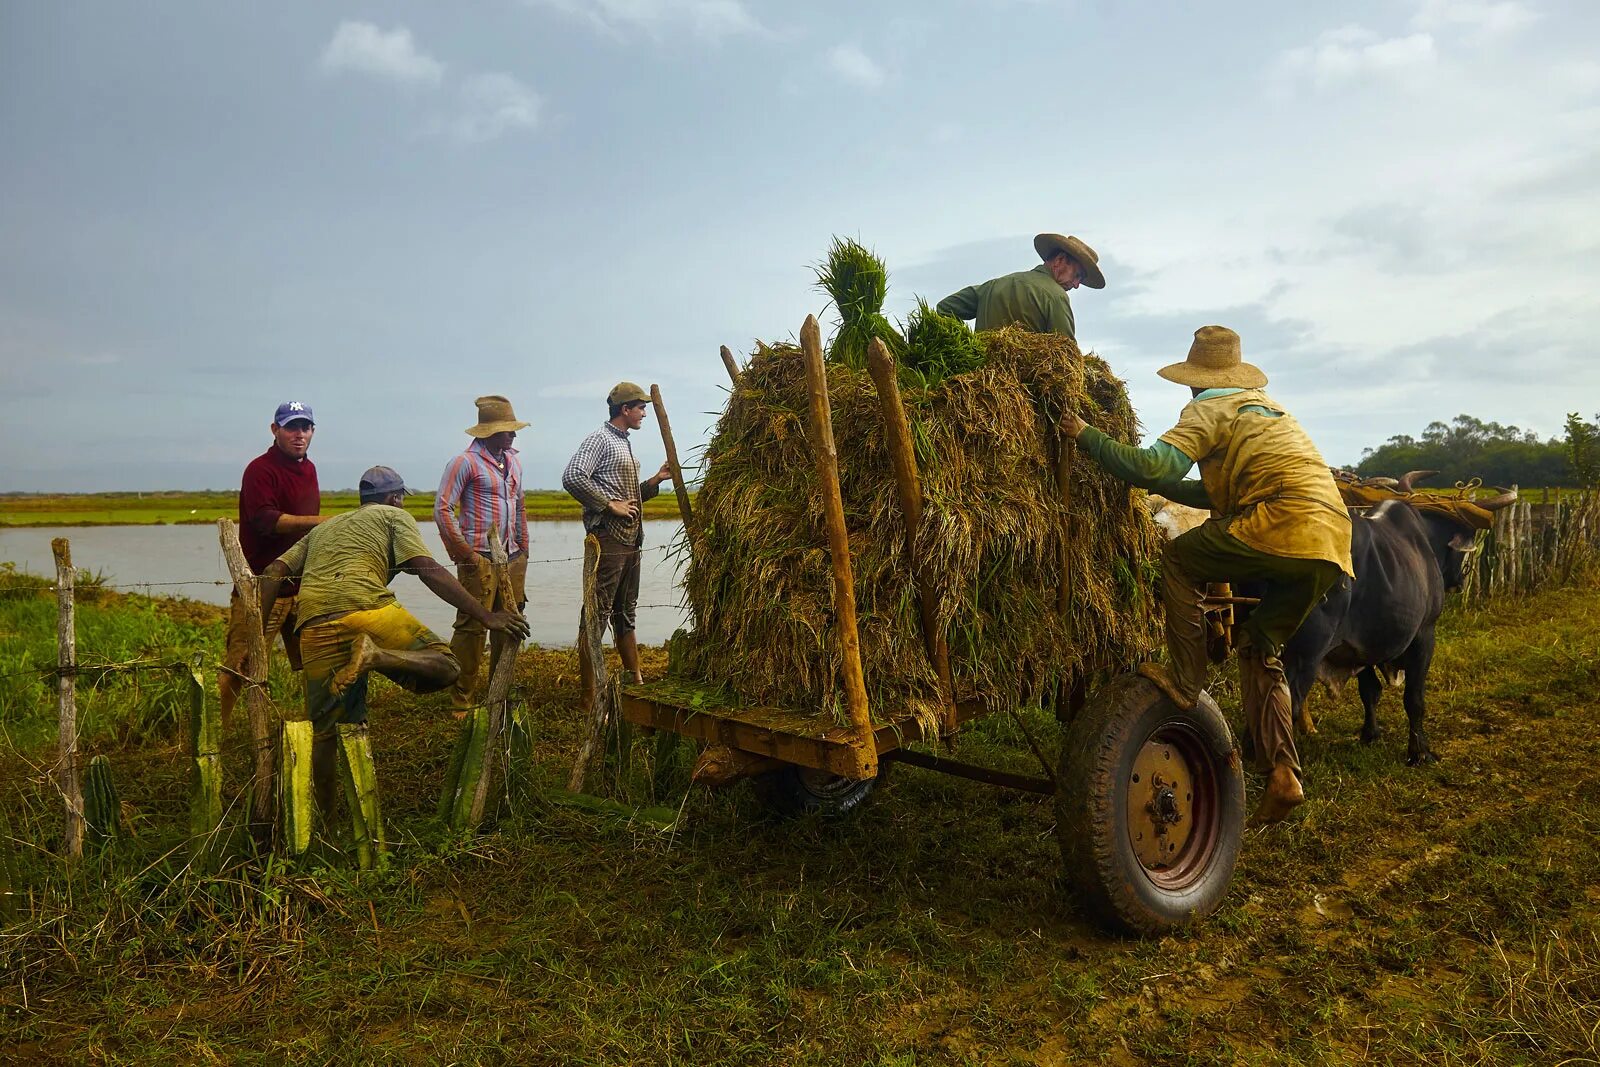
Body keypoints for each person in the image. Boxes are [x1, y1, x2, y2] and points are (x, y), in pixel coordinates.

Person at [1060, 326, 1353, 825]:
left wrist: (1086, 436)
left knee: (1178, 558)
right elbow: (1210, 491)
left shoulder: (1207, 409)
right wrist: (1166, 490)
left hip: (1278, 524)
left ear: (1195, 383)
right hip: (1331, 540)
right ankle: (1284, 772)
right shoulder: (1270, 412)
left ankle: (1185, 676)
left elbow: (1155, 468)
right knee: (1262, 647)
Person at [259, 465, 530, 814]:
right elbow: (425, 566)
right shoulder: (392, 516)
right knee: (447, 666)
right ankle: (375, 656)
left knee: (326, 734)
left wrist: (257, 633)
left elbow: (273, 572)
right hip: (367, 609)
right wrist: (487, 616)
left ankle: (327, 824)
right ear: (395, 498)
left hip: (314, 625)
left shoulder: (325, 528)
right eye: (401, 499)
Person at [561, 382, 673, 695]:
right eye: (641, 408)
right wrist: (610, 505)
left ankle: (635, 683)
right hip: (608, 538)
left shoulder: (623, 442)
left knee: (626, 612)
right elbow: (572, 476)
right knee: (596, 616)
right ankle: (590, 695)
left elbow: (630, 497)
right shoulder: (600, 438)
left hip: (630, 539)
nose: (645, 414)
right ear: (625, 409)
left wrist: (655, 480)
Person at [221, 401, 327, 727]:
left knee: (317, 661)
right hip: (259, 585)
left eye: (305, 427)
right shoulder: (260, 470)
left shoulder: (309, 469)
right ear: (275, 430)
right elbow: (265, 520)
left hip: (300, 586)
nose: (299, 434)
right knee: (240, 663)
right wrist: (320, 522)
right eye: (291, 427)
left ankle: (318, 727)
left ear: (312, 431)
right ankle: (217, 733)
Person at [435, 395, 530, 717]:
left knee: (510, 622)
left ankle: (498, 690)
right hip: (479, 554)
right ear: (489, 432)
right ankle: (462, 696)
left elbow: (520, 506)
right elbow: (443, 509)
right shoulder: (464, 462)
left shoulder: (513, 460)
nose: (513, 436)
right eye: (507, 431)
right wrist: (465, 554)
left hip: (511, 555)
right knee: (472, 626)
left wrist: (524, 549)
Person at [936, 232, 1105, 341]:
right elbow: (1067, 359)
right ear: (1059, 261)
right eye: (1077, 276)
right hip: (1024, 394)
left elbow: (944, 308)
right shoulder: (1056, 297)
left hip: (978, 385)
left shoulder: (993, 285)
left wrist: (966, 346)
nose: (1076, 285)